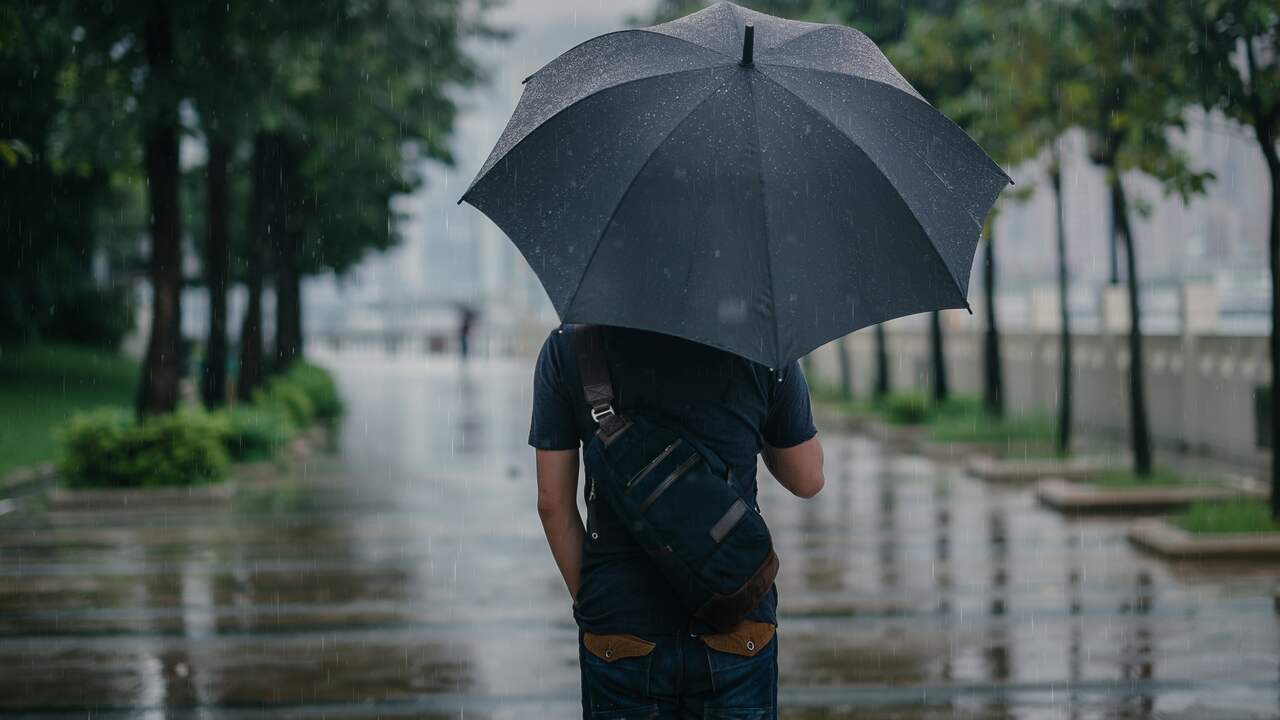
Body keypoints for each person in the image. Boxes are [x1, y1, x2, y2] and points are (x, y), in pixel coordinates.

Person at [530, 323, 825, 719]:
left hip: (621, 624)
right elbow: (807, 478)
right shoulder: (762, 343)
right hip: (735, 612)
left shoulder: (572, 344)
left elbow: (552, 504)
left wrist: (597, 602)